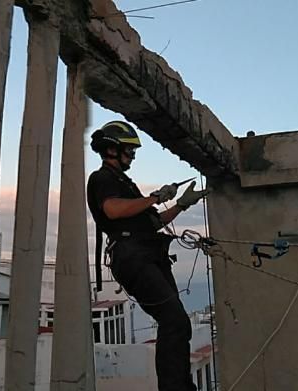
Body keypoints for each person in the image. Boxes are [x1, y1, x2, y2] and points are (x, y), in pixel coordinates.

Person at [86, 120, 209, 391]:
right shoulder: (102, 178)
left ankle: (179, 385)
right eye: (129, 150)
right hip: (132, 257)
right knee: (174, 321)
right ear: (112, 150)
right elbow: (113, 210)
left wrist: (180, 205)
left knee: (178, 324)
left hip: (148, 255)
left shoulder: (125, 184)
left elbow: (153, 222)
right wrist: (154, 197)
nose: (132, 155)